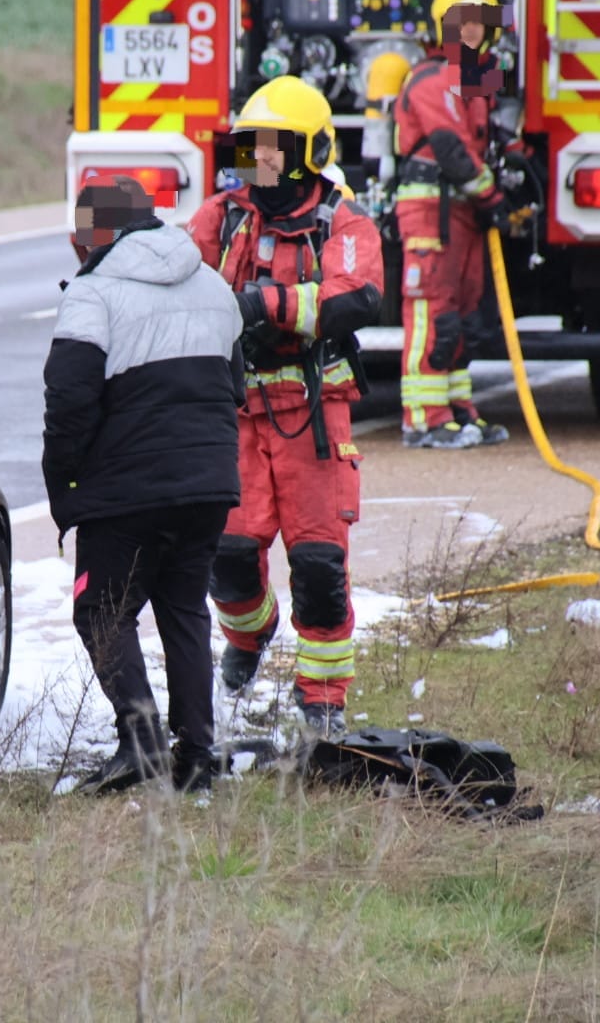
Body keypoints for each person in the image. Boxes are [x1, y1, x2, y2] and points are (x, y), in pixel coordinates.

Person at [186, 75, 385, 740]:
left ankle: (323, 698)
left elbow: (355, 297)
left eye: (272, 147)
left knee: (320, 566)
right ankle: (249, 636)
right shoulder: (223, 214)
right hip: (236, 412)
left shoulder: (341, 219)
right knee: (229, 554)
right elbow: (180, 272)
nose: (257, 160)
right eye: (249, 147)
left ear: (305, 151)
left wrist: (263, 305)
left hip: (313, 416)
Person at [43, 175, 244, 794]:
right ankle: (199, 757)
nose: (77, 250)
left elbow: (69, 405)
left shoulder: (92, 295)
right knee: (184, 610)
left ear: (96, 235)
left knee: (101, 610)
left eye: (81, 237)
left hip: (127, 490)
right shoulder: (214, 284)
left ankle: (140, 742)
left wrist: (65, 491)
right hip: (208, 485)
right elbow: (235, 387)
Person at [392, 0, 514, 449]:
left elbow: (492, 139)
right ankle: (423, 417)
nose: (468, 31)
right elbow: (451, 147)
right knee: (432, 310)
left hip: (463, 211)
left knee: (464, 312)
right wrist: (493, 198)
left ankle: (459, 408)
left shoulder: (478, 82)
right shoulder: (428, 78)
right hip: (432, 208)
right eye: (458, 22)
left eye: (477, 22)